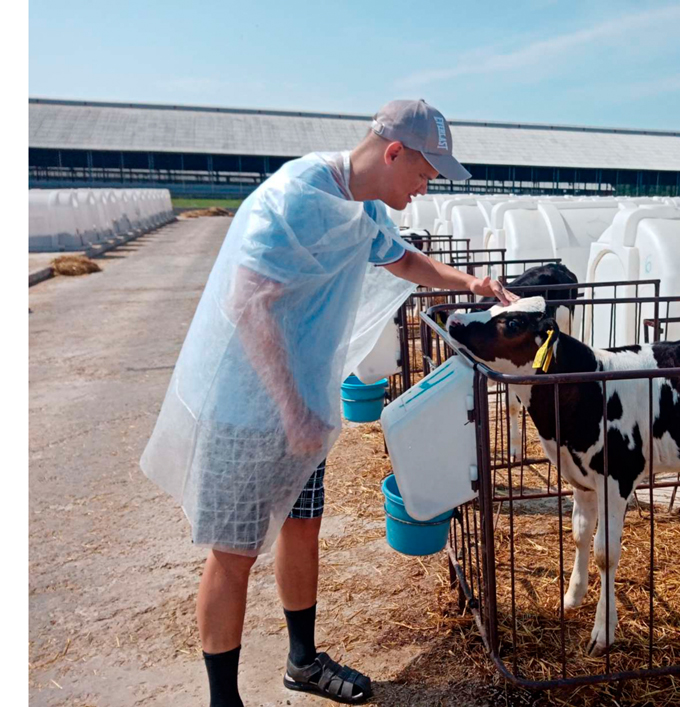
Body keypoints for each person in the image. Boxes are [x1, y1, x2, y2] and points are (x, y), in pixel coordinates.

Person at [140, 99, 517, 706]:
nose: (425, 188)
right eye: (424, 174)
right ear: (393, 152)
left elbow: (401, 259)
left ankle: (302, 661)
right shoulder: (295, 196)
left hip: (302, 409)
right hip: (247, 409)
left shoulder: (363, 206)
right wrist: (291, 410)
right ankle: (223, 700)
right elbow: (248, 302)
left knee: (303, 526)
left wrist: (471, 283)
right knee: (234, 553)